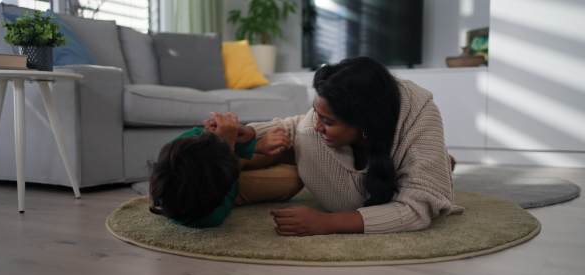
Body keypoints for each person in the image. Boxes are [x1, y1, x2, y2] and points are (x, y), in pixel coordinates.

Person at [236, 56, 461, 236]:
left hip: (399, 156)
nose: (317, 126)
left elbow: (415, 209)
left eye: (328, 122)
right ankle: (438, 164)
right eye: (316, 113)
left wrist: (326, 222)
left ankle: (435, 165)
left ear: (365, 122)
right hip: (335, 158)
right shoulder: (325, 115)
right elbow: (299, 125)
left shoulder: (419, 116)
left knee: (426, 180)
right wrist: (252, 131)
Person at [148, 112, 303, 228]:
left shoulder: (175, 151)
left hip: (218, 164)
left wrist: (218, 138)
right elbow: (222, 177)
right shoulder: (209, 216)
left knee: (278, 146)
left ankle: (237, 150)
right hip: (227, 183)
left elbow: (201, 141)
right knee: (294, 179)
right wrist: (227, 143)